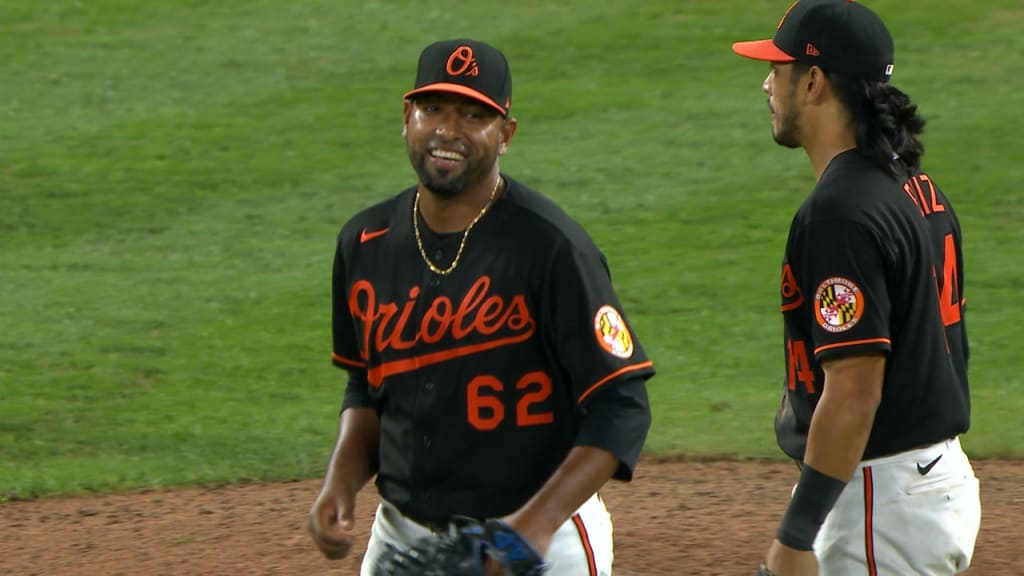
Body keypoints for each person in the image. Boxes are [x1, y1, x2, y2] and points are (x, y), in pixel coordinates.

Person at [306, 38, 654, 576]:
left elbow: (622, 403)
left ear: (505, 134)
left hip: (539, 535)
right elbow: (368, 387)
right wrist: (341, 482)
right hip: (402, 538)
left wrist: (531, 529)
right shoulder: (365, 243)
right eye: (433, 109)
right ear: (407, 117)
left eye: (474, 115)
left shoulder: (552, 248)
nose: (448, 130)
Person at [731, 1, 980, 574]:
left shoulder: (839, 214)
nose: (767, 83)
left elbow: (853, 389)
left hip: (878, 497)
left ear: (814, 81)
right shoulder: (917, 186)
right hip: (928, 481)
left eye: (778, 69)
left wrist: (796, 536)